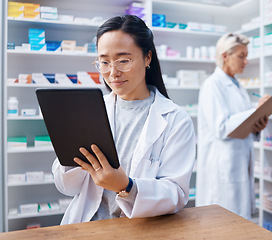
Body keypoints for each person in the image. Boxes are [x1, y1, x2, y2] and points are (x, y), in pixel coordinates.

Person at [52, 15, 196, 224]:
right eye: (104, 62)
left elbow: (176, 195)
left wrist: (126, 186)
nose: (113, 72)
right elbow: (67, 187)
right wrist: (69, 154)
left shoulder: (175, 120)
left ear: (148, 58)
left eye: (123, 61)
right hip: (88, 225)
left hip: (139, 228)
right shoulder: (89, 111)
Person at [196, 33, 269, 220]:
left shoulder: (238, 87)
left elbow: (242, 124)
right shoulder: (213, 85)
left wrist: (257, 124)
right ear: (225, 56)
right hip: (222, 166)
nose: (246, 61)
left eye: (246, 55)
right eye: (241, 56)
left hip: (239, 160)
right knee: (222, 223)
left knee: (238, 222)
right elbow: (221, 127)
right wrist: (255, 111)